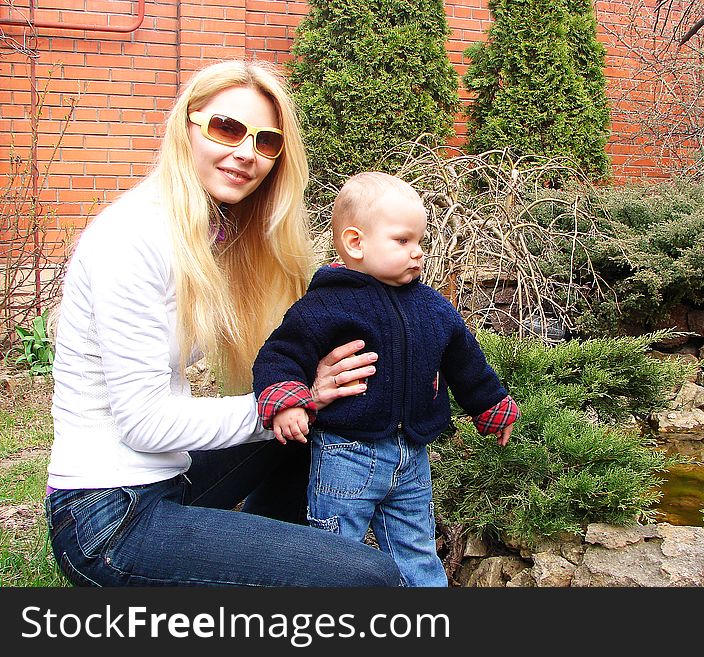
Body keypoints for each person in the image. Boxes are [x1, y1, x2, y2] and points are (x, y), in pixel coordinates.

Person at [44, 60, 401, 587]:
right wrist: (291, 403)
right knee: (369, 583)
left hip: (168, 477)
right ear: (186, 126)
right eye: (226, 128)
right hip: (107, 516)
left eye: (266, 142)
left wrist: (408, 349)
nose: (245, 153)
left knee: (299, 437)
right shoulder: (133, 237)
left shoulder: (208, 233)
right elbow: (144, 423)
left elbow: (304, 340)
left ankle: (266, 570)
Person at [252, 172, 520, 587]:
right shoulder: (325, 305)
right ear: (355, 243)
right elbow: (281, 355)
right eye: (402, 241)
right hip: (346, 454)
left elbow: (465, 360)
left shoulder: (432, 307)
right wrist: (287, 400)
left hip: (412, 456)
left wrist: (491, 406)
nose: (418, 253)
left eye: (420, 242)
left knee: (416, 549)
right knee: (334, 556)